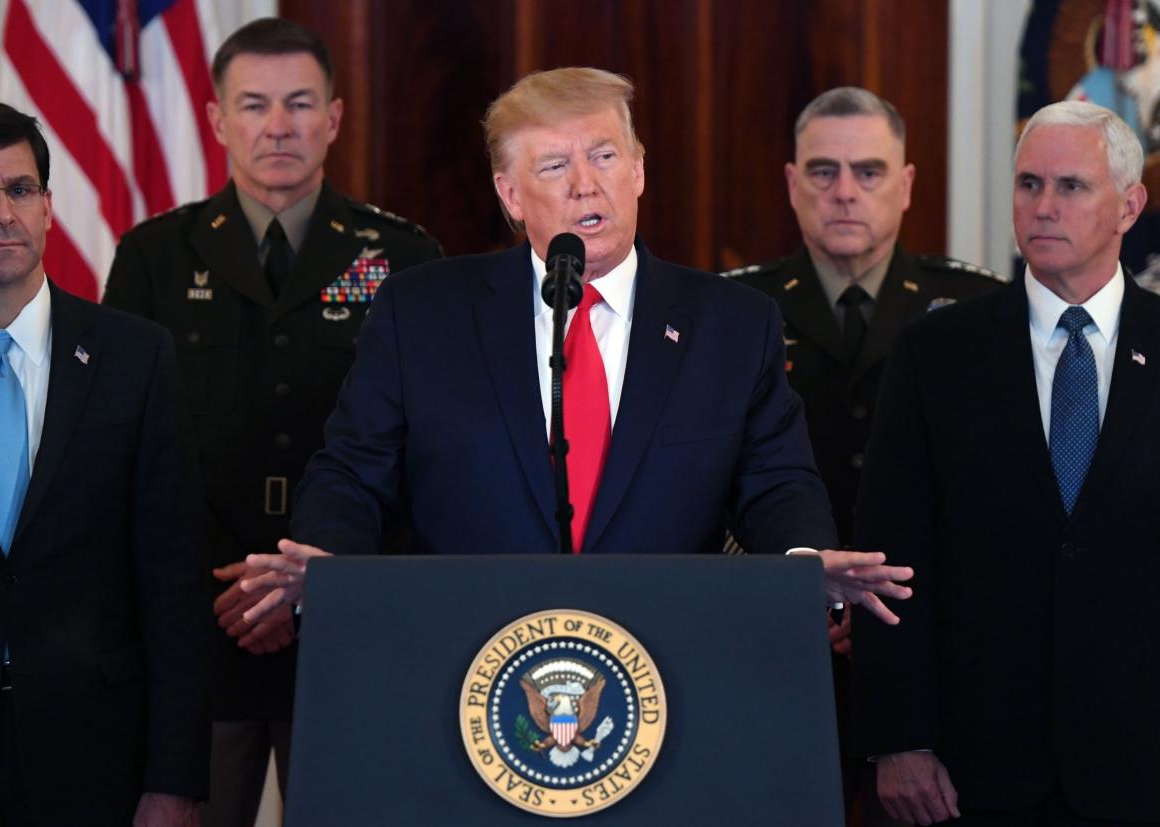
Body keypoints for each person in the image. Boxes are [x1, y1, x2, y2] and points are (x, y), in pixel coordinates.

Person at [238, 68, 912, 634]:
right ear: (510, 195)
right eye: (556, 166)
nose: (586, 184)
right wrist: (323, 556)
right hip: (468, 655)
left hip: (667, 658)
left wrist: (803, 562)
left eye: (606, 156)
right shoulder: (424, 313)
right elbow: (355, 473)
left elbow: (776, 482)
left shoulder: (732, 324)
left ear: (640, 171)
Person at [101, 17, 441, 826]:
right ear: (218, 120)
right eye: (254, 105)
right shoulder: (154, 256)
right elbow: (120, 448)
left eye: (299, 103)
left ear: (335, 116)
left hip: (351, 622)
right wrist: (244, 591)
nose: (279, 126)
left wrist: (309, 580)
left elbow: (429, 448)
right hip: (200, 622)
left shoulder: (403, 258)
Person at [853, 100, 1160, 825]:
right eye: (1028, 185)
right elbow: (891, 556)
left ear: (1129, 204)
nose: (1043, 207)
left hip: (1141, 761)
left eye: (1071, 187)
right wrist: (899, 738)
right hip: (972, 770)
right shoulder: (937, 353)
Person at [0, 102, 206, 824]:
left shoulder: (136, 357)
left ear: (49, 207)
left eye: (19, 190)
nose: (1, 211)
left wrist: (174, 779)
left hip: (95, 757)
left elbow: (171, 581)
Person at [726, 86, 1003, 821]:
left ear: (907, 184)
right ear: (791, 183)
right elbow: (701, 483)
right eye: (822, 171)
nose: (845, 192)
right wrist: (794, 586)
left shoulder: (979, 311)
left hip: (936, 664)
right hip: (770, 650)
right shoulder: (726, 316)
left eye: (870, 171)